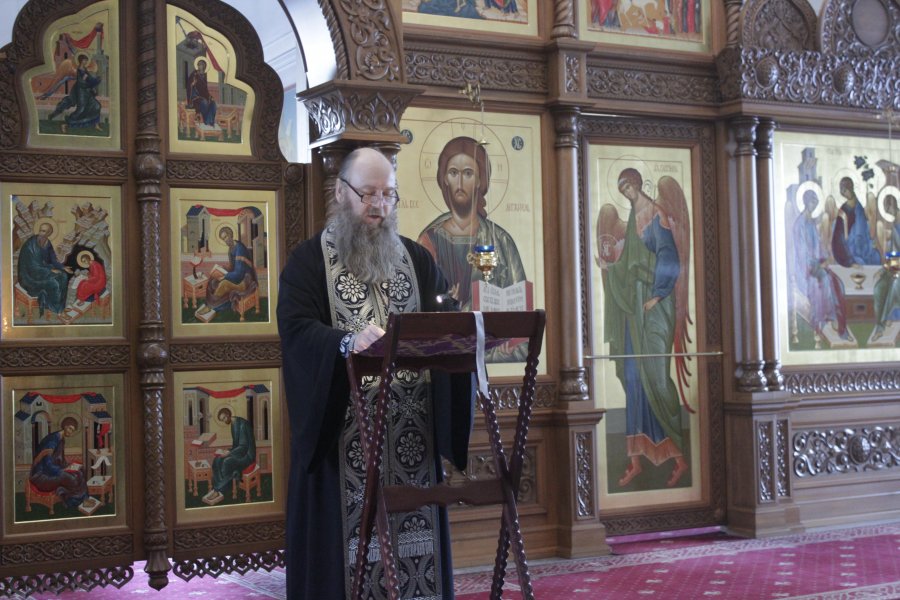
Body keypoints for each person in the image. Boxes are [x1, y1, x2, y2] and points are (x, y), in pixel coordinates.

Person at [277, 147, 473, 599]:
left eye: (388, 194)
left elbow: (443, 317)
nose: (379, 206)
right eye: (368, 194)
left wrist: (463, 330)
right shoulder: (308, 262)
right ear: (340, 193)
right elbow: (297, 329)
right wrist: (346, 343)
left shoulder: (417, 260)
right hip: (343, 440)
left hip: (412, 439)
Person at [601, 168, 692, 489]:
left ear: (638, 184)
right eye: (622, 188)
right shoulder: (630, 219)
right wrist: (611, 267)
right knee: (631, 375)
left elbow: (670, 258)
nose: (627, 192)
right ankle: (636, 460)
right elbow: (628, 263)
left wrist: (657, 295)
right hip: (634, 308)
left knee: (656, 378)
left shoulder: (656, 214)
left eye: (629, 186)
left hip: (655, 307)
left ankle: (679, 458)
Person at [791, 190, 849, 339]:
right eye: (812, 202)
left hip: (817, 264)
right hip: (806, 268)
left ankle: (837, 320)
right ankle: (824, 319)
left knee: (838, 282)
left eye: (816, 203)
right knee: (824, 279)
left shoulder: (811, 222)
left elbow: (818, 246)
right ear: (806, 202)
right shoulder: (799, 224)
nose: (814, 205)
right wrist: (816, 264)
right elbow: (801, 252)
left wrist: (825, 258)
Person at [29, 417, 88, 509]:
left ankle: (84, 500)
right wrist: (63, 470)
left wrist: (70, 467)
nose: (71, 432)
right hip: (41, 476)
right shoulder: (52, 440)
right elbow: (47, 464)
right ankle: (72, 503)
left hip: (51, 471)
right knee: (70, 478)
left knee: (80, 472)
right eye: (70, 428)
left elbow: (60, 460)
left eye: (72, 430)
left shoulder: (61, 439)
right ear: (65, 426)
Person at [198, 226, 256, 319]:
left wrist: (224, 276)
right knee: (213, 280)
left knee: (224, 283)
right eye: (223, 239)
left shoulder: (239, 248)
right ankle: (209, 304)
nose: (225, 240)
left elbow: (239, 274)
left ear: (230, 235)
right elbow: (233, 266)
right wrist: (222, 269)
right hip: (236, 277)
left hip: (244, 281)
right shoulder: (231, 249)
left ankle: (210, 307)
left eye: (226, 237)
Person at [17, 221, 72, 316]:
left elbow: (53, 260)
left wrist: (63, 267)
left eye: (44, 231)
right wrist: (50, 270)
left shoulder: (47, 243)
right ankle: (57, 310)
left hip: (43, 270)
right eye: (41, 230)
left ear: (49, 233)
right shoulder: (31, 244)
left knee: (63, 276)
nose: (41, 233)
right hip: (30, 276)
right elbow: (32, 266)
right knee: (53, 283)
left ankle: (61, 307)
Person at [203, 407, 256, 505]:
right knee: (217, 460)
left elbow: (243, 447)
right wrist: (227, 451)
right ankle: (219, 488)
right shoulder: (233, 424)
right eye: (222, 420)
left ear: (228, 415)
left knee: (227, 462)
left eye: (224, 418)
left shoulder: (242, 424)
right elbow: (236, 446)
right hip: (239, 452)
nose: (224, 421)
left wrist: (229, 453)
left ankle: (217, 490)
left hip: (247, 455)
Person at [43, 54, 103, 133]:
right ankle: (65, 125)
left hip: (87, 92)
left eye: (86, 60)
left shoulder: (84, 69)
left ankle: (96, 125)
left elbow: (89, 79)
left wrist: (94, 82)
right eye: (84, 60)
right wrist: (89, 82)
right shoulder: (79, 70)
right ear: (80, 61)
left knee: (96, 106)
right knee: (81, 110)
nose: (85, 62)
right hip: (81, 92)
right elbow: (81, 83)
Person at [831, 177, 882, 267]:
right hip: (850, 251)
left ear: (851, 188)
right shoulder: (843, 210)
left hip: (864, 247)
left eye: (846, 189)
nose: (845, 193)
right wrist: (849, 261)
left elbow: (864, 230)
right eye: (843, 191)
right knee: (860, 262)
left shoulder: (859, 207)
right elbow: (838, 237)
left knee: (876, 258)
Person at [187, 58, 217, 127]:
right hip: (195, 97)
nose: (199, 66)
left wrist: (210, 97)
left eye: (201, 65)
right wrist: (192, 84)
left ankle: (210, 121)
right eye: (199, 65)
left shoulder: (204, 76)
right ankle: (206, 121)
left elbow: (205, 90)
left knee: (213, 103)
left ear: (204, 66)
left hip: (203, 96)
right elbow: (189, 85)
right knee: (204, 102)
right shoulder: (194, 74)